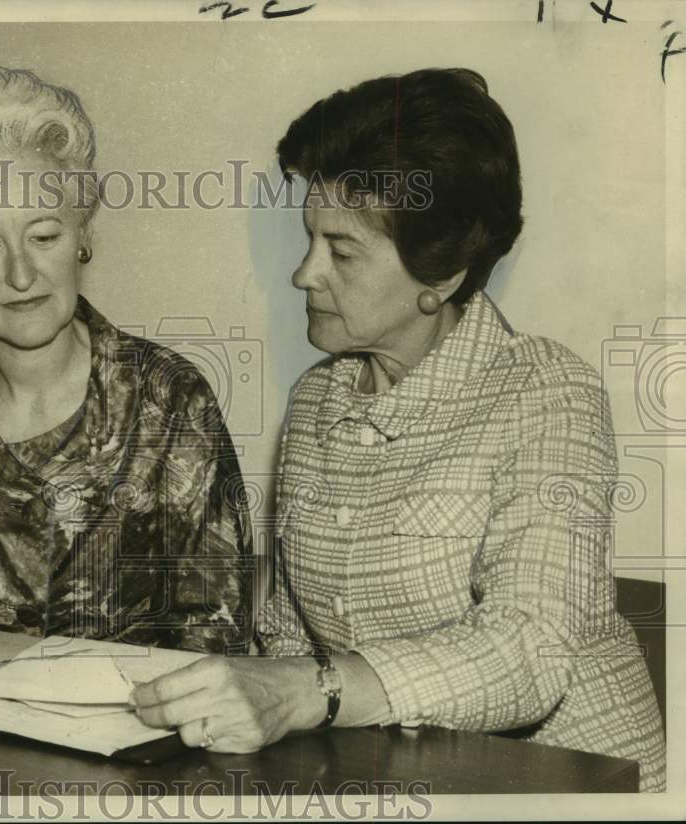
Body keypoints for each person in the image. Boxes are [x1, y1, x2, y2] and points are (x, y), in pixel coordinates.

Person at [130, 68, 665, 791]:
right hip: (389, 782)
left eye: (342, 251)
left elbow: (528, 652)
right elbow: (291, 633)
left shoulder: (546, 391)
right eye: (309, 238)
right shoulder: (318, 400)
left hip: (571, 785)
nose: (304, 273)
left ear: (440, 277)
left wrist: (309, 692)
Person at [0, 65, 252, 655]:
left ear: (82, 230)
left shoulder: (170, 397)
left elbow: (215, 638)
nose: (20, 275)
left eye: (43, 236)